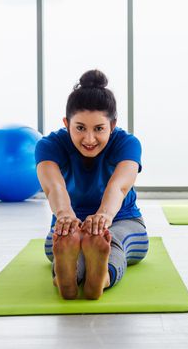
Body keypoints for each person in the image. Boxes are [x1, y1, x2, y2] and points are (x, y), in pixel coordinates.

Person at [35, 69, 148, 300]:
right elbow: (54, 187)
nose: (89, 139)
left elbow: (118, 187)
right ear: (66, 123)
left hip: (122, 219)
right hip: (69, 227)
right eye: (79, 128)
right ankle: (74, 273)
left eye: (98, 129)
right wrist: (66, 217)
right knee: (66, 241)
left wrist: (103, 218)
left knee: (109, 238)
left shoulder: (128, 144)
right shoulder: (49, 146)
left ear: (113, 125)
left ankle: (92, 276)